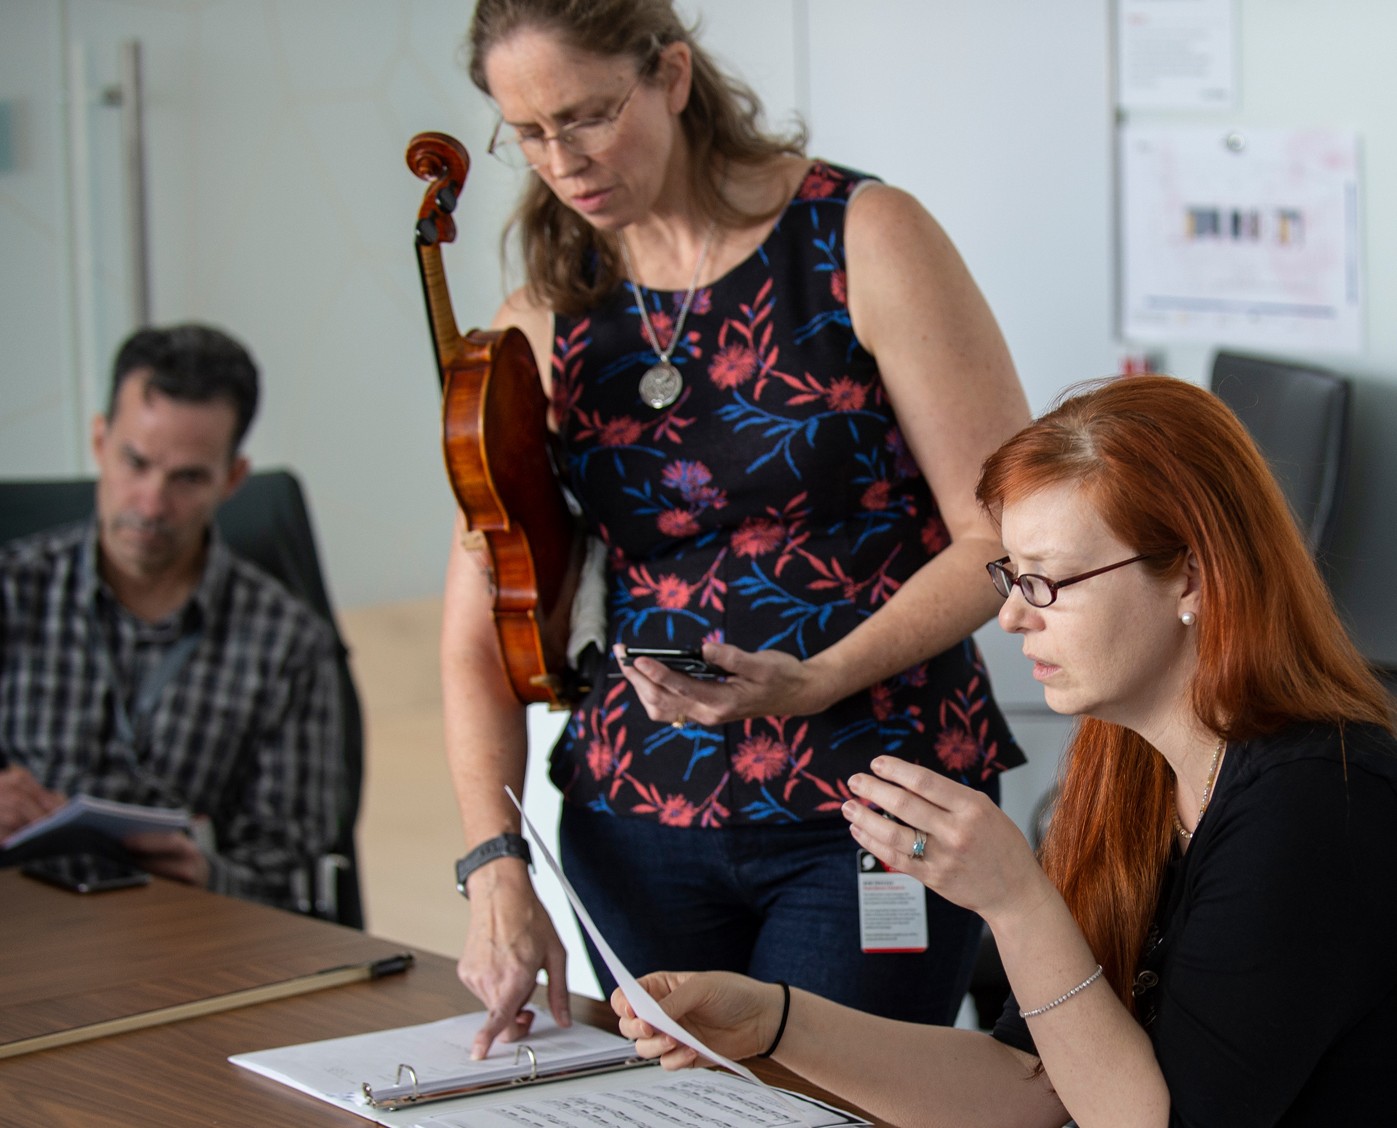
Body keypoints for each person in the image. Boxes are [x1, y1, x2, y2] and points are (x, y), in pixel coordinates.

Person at [443, 0, 1031, 1058]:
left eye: (585, 116)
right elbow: (481, 620)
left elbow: (1005, 539)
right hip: (634, 825)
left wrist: (817, 678)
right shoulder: (544, 316)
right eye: (524, 133)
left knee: (832, 1109)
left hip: (876, 796)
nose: (559, 160)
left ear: (670, 74)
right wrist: (494, 865)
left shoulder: (860, 235)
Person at [612, 374, 1397, 1127]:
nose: (1013, 620)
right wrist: (771, 1024)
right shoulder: (1127, 768)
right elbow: (1033, 1088)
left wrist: (1016, 905)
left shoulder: (1319, 803)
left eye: (1047, 582)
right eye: (1009, 577)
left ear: (1191, 577)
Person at [0, 323, 344, 911]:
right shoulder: (12, 590)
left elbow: (300, 878)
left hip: (184, 946)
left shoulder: (289, 646)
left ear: (232, 478)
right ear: (100, 442)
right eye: (134, 462)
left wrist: (211, 878)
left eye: (187, 478)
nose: (151, 503)